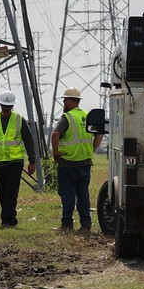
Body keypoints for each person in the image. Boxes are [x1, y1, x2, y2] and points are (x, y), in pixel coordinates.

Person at [0, 90, 37, 228]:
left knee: (11, 191)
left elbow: (29, 141)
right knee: (2, 192)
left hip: (15, 162)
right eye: (4, 105)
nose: (6, 108)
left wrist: (32, 161)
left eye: (8, 106)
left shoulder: (19, 119)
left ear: (12, 106)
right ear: (0, 104)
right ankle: (11, 218)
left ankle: (6, 221)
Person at [51, 86, 102, 232]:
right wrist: (91, 149)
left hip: (68, 163)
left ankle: (66, 224)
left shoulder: (66, 117)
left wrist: (55, 153)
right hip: (85, 162)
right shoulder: (88, 116)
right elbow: (99, 134)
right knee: (83, 194)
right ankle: (86, 225)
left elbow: (55, 134)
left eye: (64, 101)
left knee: (68, 194)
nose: (63, 104)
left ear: (67, 101)